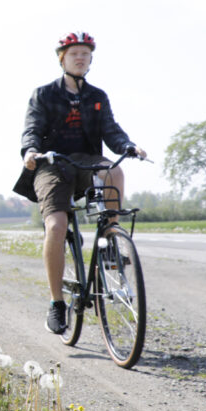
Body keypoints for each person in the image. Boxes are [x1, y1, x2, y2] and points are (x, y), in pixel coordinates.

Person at [13, 31, 147, 334]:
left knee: (114, 170)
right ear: (63, 58)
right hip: (52, 164)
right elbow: (32, 129)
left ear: (91, 60)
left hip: (86, 162)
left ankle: (110, 238)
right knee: (57, 226)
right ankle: (56, 303)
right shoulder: (44, 94)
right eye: (74, 53)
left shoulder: (97, 96)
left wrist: (128, 145)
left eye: (86, 54)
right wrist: (30, 151)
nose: (80, 58)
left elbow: (111, 130)